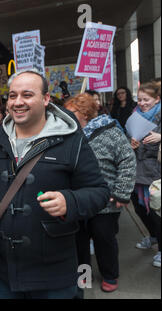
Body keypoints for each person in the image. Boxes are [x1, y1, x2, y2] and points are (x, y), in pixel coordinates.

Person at [0, 70, 110, 299]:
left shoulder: (71, 140)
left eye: (27, 95)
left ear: (45, 99)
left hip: (54, 273)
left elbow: (100, 192)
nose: (17, 102)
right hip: (0, 273)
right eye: (12, 96)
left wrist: (70, 201)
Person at [65, 93, 136, 293]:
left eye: (72, 113)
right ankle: (83, 276)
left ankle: (110, 275)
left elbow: (127, 160)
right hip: (77, 199)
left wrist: (122, 192)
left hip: (106, 200)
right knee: (78, 241)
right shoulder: (67, 134)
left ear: (85, 113)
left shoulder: (110, 131)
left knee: (104, 238)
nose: (66, 117)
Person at [129, 81, 161, 268]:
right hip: (138, 169)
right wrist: (132, 143)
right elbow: (130, 137)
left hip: (156, 170)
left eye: (146, 100)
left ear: (157, 99)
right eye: (139, 99)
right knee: (140, 208)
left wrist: (160, 136)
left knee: (157, 211)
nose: (142, 103)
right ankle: (153, 236)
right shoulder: (135, 115)